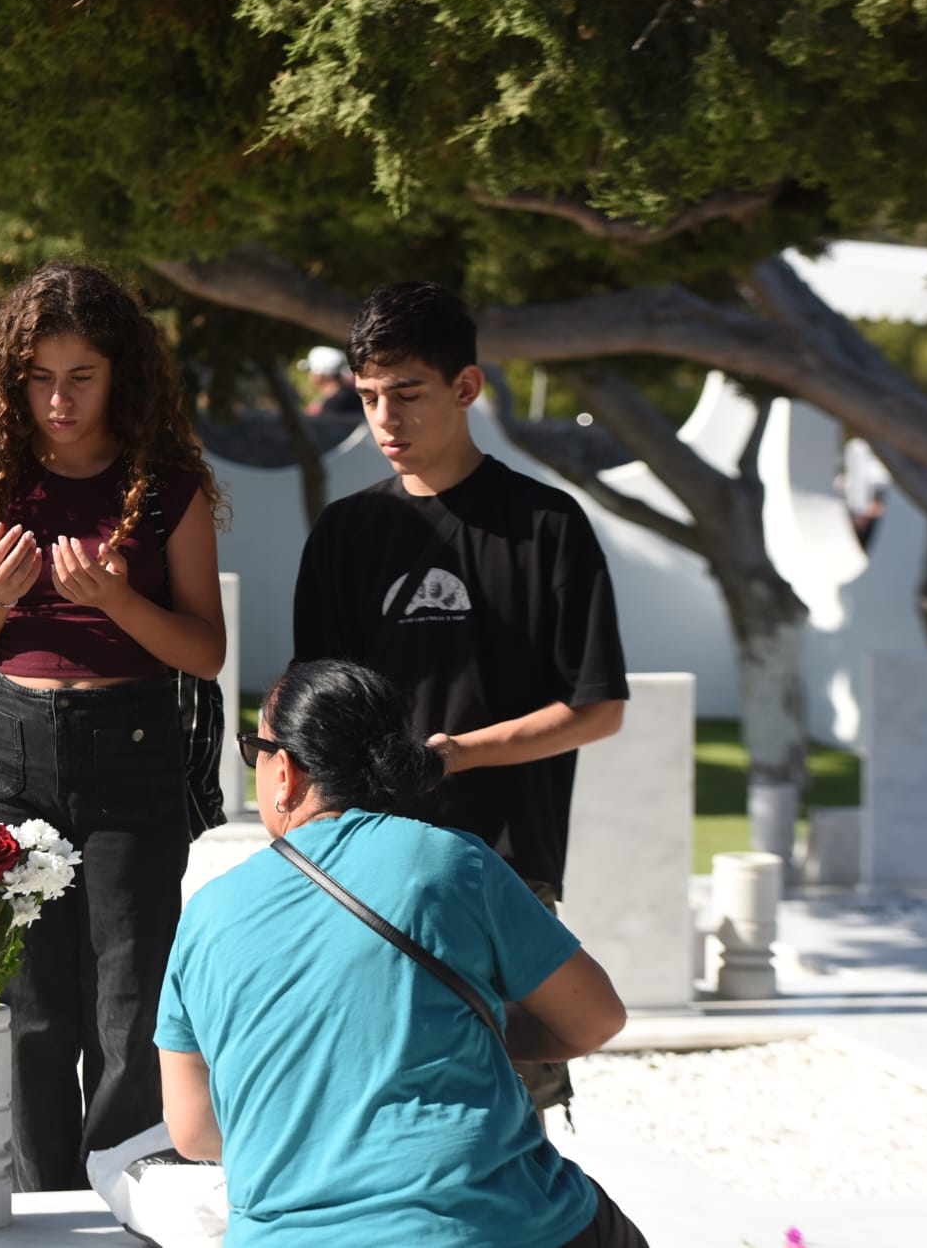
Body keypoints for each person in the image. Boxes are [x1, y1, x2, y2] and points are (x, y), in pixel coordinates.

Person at [155, 658, 646, 1247]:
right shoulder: (454, 862)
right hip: (486, 1226)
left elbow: (193, 1130)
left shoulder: (206, 914)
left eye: (252, 749)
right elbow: (595, 1018)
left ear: (283, 771)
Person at [0, 262, 228, 1192]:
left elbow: (206, 649)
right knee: (32, 1008)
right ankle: (45, 1206)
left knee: (131, 1007)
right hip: (16, 750)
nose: (59, 400)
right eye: (41, 378)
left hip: (134, 748)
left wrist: (117, 600)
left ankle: (123, 1200)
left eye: (81, 377)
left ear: (119, 373)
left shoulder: (165, 486)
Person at [291, 280, 628, 1120]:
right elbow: (310, 708)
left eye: (407, 393)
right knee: (374, 1101)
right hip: (369, 864)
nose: (385, 419)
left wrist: (461, 753)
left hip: (506, 867)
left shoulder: (548, 525)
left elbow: (597, 706)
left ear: (467, 386)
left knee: (506, 1109)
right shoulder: (343, 534)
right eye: (369, 396)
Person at [299, 343, 362, 417]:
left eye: (310, 370)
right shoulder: (351, 395)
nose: (309, 375)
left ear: (319, 375)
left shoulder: (334, 404)